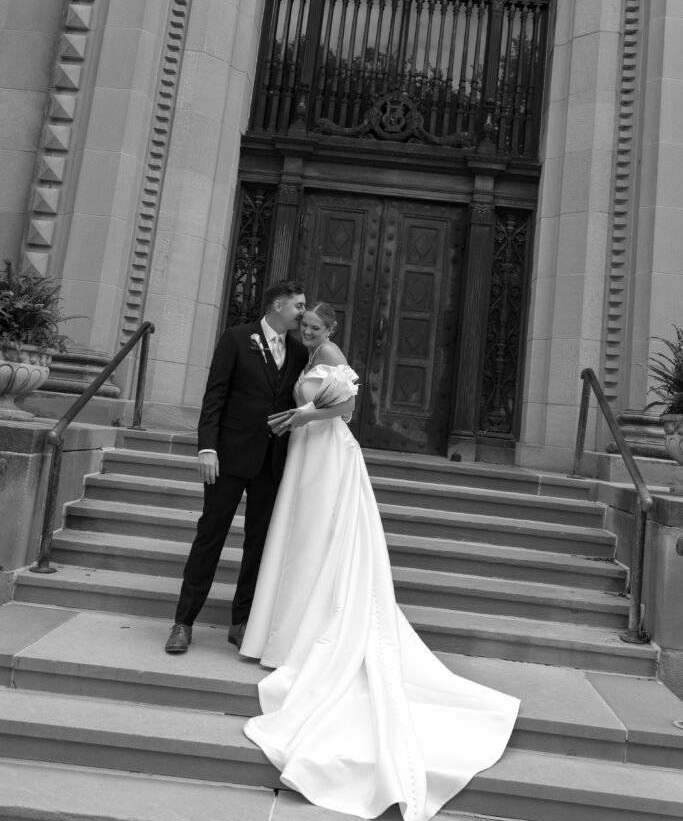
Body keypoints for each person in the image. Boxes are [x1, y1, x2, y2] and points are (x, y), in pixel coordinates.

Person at [239, 302, 520, 821]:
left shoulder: (332, 354)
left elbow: (343, 411)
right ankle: (289, 623)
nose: (308, 331)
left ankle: (306, 624)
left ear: (332, 330)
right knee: (303, 540)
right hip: (307, 452)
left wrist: (303, 414)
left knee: (322, 537)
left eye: (315, 326)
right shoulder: (306, 356)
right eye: (304, 325)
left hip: (328, 452)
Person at [164, 280, 308, 654]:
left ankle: (242, 623)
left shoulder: (297, 352)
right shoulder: (236, 338)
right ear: (277, 305)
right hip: (227, 457)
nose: (303, 313)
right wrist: (207, 448)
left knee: (258, 545)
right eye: (298, 305)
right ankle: (183, 622)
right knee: (210, 537)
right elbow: (215, 395)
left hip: (271, 463)